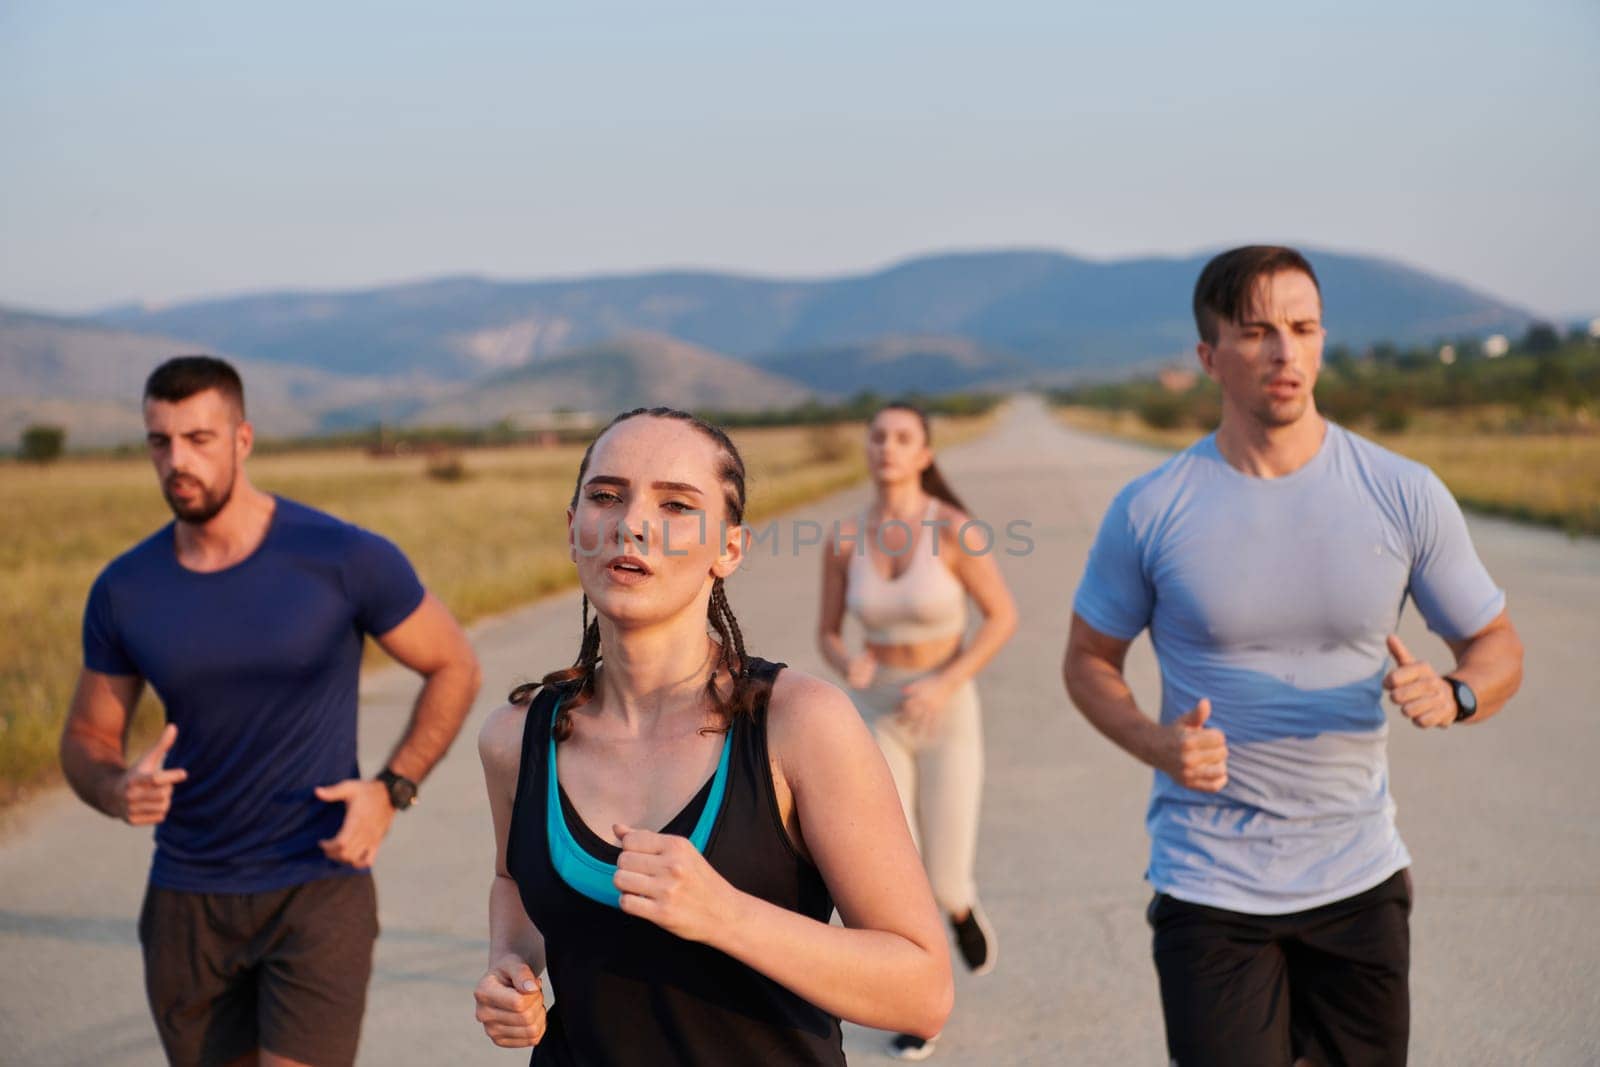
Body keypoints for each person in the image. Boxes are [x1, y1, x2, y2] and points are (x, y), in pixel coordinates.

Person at [1063, 246, 1525, 1066]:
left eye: (1304, 327)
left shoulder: (1402, 490)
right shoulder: (1152, 506)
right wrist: (1156, 742)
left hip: (1359, 878)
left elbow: (1495, 645)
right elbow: (1089, 660)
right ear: (1209, 356)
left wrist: (1454, 693)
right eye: (1258, 331)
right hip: (1208, 882)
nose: (1286, 351)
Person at [473, 406, 953, 1065]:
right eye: (605, 496)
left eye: (675, 505)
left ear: (729, 548)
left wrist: (725, 914)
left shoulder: (798, 723)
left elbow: (921, 991)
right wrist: (512, 961)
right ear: (573, 530)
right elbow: (512, 879)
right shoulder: (516, 737)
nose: (631, 522)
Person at [59, 355, 482, 1067]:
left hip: (317, 888)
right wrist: (113, 786)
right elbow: (87, 735)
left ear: (243, 439)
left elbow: (454, 665)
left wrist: (391, 788)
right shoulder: (126, 588)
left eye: (198, 438)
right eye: (160, 441)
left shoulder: (343, 556)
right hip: (189, 899)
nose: (177, 461)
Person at [817, 403, 1018, 1061]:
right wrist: (850, 661)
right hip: (874, 712)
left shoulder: (954, 529)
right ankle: (919, 1010)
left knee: (943, 877)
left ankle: (960, 909)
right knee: (890, 872)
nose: (887, 447)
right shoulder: (844, 538)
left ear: (925, 453)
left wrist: (946, 679)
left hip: (946, 709)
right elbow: (827, 632)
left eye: (903, 438)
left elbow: (1001, 618)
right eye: (877, 435)